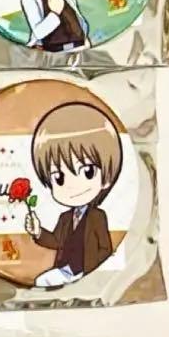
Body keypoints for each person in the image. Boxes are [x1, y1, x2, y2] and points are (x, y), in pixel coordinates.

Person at [25, 102, 121, 288]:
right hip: (66, 271)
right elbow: (55, 242)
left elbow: (105, 249)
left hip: (87, 273)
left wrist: (94, 272)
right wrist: (38, 231)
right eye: (59, 178)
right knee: (42, 281)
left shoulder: (98, 217)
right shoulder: (65, 218)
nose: (72, 186)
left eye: (88, 172)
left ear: (106, 178)